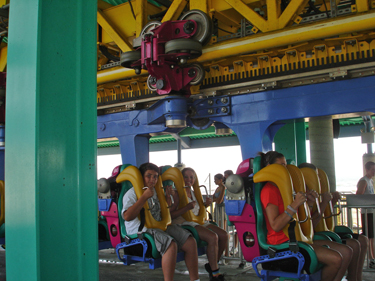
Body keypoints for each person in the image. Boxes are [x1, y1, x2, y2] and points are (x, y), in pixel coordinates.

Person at [260, 151, 349, 281]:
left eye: (286, 166)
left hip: (297, 239)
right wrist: (295, 205)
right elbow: (276, 225)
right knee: (336, 259)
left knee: (345, 252)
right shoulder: (270, 190)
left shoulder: (286, 190)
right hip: (283, 245)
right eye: (281, 166)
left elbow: (305, 223)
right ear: (270, 168)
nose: (285, 170)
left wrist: (311, 203)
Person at [122, 162, 200, 281]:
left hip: (159, 226)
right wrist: (143, 198)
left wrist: (168, 199)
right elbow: (127, 216)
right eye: (149, 176)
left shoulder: (156, 192)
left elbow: (167, 213)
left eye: (155, 176)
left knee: (190, 241)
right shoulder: (132, 193)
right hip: (142, 230)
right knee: (170, 244)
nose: (152, 180)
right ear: (141, 176)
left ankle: (195, 279)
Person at [299, 162, 368, 281]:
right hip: (313, 236)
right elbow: (310, 224)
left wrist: (332, 202)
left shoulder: (316, 192)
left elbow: (324, 215)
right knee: (349, 249)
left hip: (321, 233)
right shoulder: (300, 195)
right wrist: (323, 202)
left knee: (363, 240)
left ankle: (356, 278)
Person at [168, 167, 228, 281]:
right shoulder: (175, 192)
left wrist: (205, 204)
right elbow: (171, 215)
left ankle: (212, 265)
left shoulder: (193, 192)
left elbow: (196, 210)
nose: (189, 179)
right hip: (185, 222)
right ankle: (215, 273)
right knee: (213, 237)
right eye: (186, 177)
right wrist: (186, 207)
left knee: (224, 235)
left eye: (191, 177)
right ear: (181, 178)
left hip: (199, 221)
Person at [356, 160, 375, 268]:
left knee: (371, 236)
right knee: (368, 236)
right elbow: (359, 196)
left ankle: (372, 258)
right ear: (367, 170)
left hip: (370, 211)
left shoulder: (370, 181)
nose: (374, 171)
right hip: (366, 212)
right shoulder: (364, 181)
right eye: (372, 169)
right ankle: (370, 259)